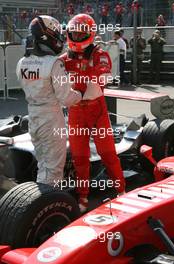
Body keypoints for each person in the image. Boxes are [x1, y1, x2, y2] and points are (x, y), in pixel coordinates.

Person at [60, 14, 125, 213]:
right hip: (75, 112)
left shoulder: (100, 53)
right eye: (74, 33)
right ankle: (83, 197)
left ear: (89, 33)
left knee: (108, 154)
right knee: (79, 158)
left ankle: (121, 190)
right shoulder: (62, 59)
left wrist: (83, 77)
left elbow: (104, 74)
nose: (77, 37)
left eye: (81, 33)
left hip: (97, 111)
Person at [16, 15, 82, 186]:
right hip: (51, 117)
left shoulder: (21, 63)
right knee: (53, 169)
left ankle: (39, 196)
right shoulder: (54, 63)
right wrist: (80, 93)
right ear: (48, 35)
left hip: (33, 116)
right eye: (57, 33)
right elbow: (66, 98)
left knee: (43, 163)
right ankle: (50, 205)